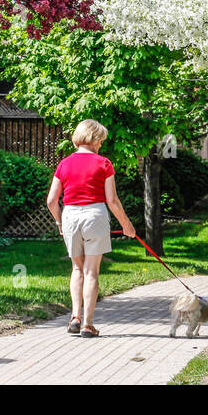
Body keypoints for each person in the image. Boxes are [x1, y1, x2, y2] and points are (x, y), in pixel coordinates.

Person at [45, 119, 136, 337]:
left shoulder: (64, 164)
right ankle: (88, 324)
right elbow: (112, 200)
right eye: (101, 141)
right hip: (95, 214)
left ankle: (74, 317)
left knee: (77, 269)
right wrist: (126, 225)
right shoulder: (104, 163)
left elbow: (51, 200)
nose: (101, 145)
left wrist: (59, 222)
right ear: (94, 139)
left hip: (70, 215)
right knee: (91, 271)